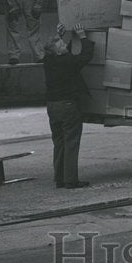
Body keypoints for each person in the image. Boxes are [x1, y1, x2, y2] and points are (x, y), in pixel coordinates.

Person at [43, 22, 94, 189]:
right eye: (61, 44)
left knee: (59, 143)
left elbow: (61, 50)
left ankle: (59, 178)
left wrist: (60, 35)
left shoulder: (48, 61)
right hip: (67, 106)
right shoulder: (67, 62)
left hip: (52, 107)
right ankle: (71, 180)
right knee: (71, 142)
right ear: (57, 51)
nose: (64, 44)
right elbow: (85, 56)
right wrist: (83, 36)